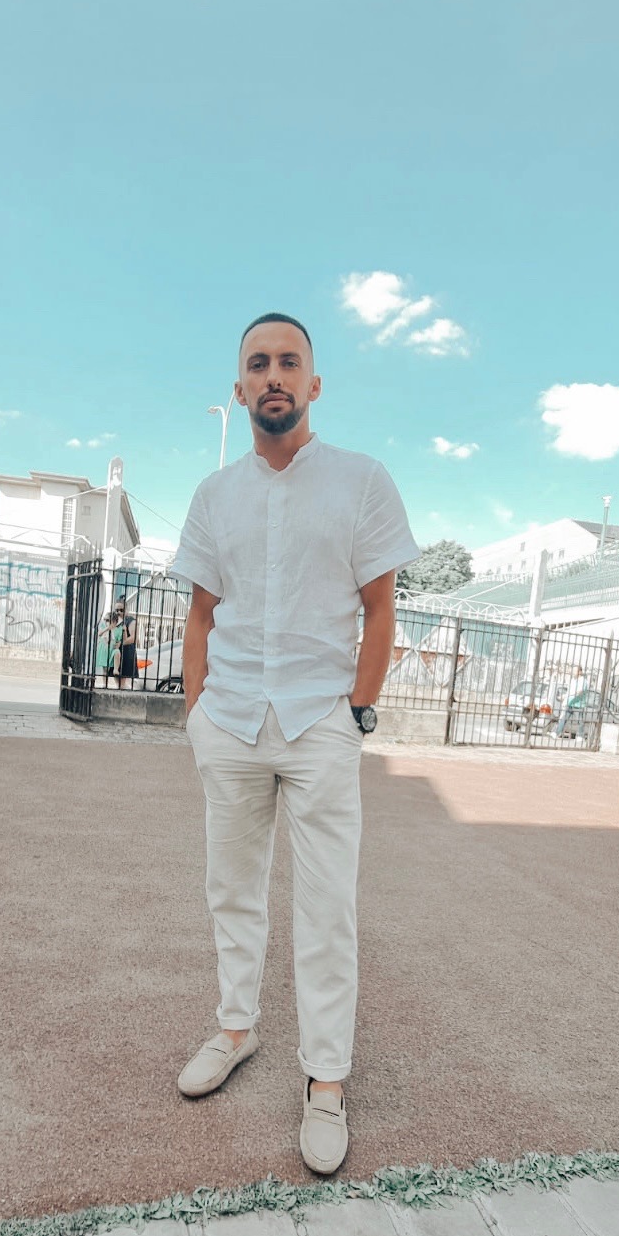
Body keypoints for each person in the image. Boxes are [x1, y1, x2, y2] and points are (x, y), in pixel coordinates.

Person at [170, 312, 418, 1174]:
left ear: (313, 383)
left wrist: (357, 711)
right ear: (240, 387)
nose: (272, 375)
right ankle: (236, 1028)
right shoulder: (215, 495)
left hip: (319, 724)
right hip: (231, 720)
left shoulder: (362, 480)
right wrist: (196, 713)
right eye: (257, 363)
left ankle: (326, 1077)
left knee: (326, 907)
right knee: (231, 888)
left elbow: (381, 609)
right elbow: (199, 612)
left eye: (288, 362)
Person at [113, 594, 139, 689]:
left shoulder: (130, 621)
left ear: (126, 609)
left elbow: (134, 638)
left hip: (126, 652)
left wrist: (121, 643)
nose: (119, 612)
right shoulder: (115, 621)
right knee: (117, 681)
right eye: (116, 610)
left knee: (122, 683)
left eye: (121, 610)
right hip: (116, 652)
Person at [556, 665, 589, 737]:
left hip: (578, 704)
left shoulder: (583, 681)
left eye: (574, 671)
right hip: (570, 703)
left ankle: (580, 736)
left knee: (579, 721)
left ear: (580, 672)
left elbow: (580, 692)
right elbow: (569, 691)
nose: (573, 672)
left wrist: (570, 695)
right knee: (563, 719)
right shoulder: (573, 680)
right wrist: (564, 697)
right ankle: (557, 733)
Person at [95, 610, 123, 686]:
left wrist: (118, 644)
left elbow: (119, 640)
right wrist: (108, 628)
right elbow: (99, 634)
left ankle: (115, 669)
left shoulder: (118, 629)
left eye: (108, 620)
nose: (106, 621)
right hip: (104, 650)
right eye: (105, 620)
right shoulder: (103, 626)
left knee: (117, 652)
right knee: (105, 669)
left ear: (114, 622)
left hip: (112, 649)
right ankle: (105, 684)